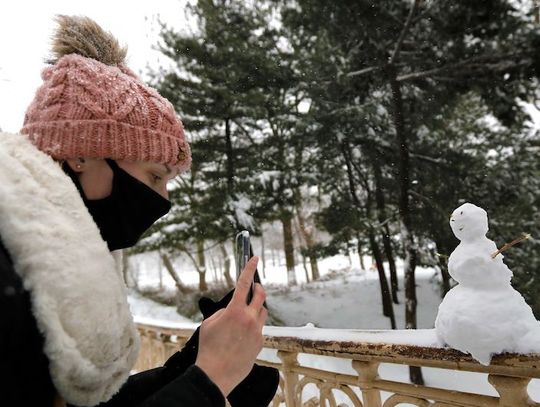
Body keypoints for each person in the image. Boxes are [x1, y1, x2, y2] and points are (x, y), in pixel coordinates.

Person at [0, 15, 278, 407]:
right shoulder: (8, 278)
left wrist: (187, 367)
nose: (163, 200)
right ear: (82, 153)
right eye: (154, 177)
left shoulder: (48, 267)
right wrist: (209, 380)